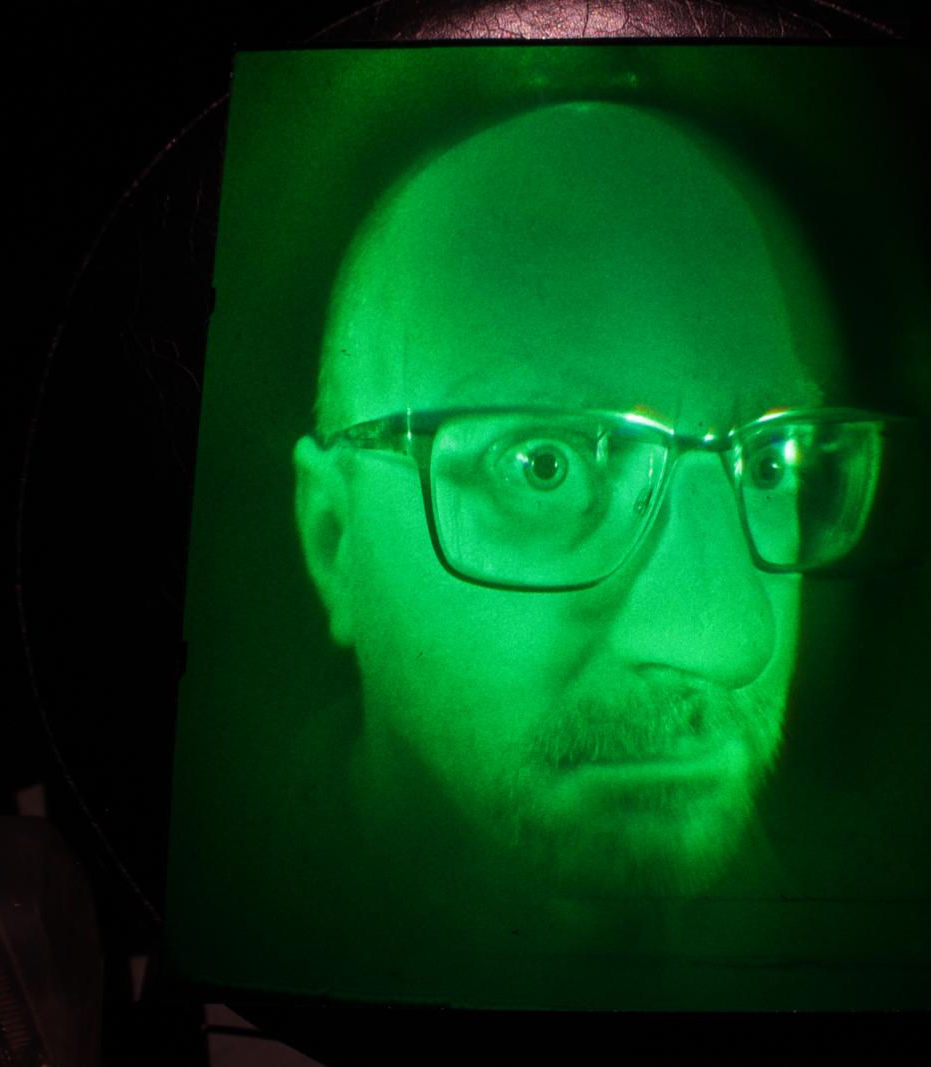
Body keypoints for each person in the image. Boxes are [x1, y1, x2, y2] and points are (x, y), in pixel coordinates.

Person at [287, 100, 888, 999]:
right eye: (544, 465)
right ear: (335, 540)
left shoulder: (879, 933)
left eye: (770, 462)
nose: (729, 642)